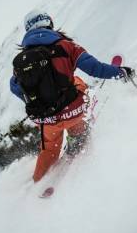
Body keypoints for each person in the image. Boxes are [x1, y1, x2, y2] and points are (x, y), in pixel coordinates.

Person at [10, 9, 135, 182]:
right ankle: (78, 139)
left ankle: (37, 183)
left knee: (48, 150)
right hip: (73, 112)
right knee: (77, 83)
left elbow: (15, 87)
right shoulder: (67, 47)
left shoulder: (21, 61)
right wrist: (121, 72)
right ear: (50, 24)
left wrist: (38, 100)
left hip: (47, 120)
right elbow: (96, 69)